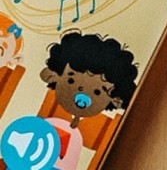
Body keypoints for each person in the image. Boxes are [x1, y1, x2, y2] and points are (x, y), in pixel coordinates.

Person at [39, 31, 139, 169]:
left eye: (98, 92)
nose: (81, 94)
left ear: (115, 100)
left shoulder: (95, 130)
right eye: (71, 80)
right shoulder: (50, 112)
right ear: (52, 76)